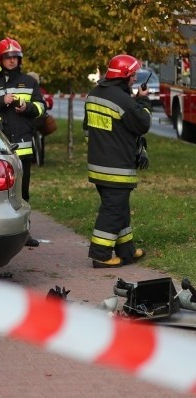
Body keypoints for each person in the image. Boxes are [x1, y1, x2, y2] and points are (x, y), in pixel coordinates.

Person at [0, 38, 45, 247]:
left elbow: (41, 108)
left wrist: (27, 108)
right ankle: (0, 232)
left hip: (22, 147)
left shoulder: (29, 82)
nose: (12, 61)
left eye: (15, 57)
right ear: (0, 59)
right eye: (8, 57)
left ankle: (25, 232)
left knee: (23, 193)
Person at [83, 54, 152, 268]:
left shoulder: (94, 94)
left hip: (98, 165)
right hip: (117, 168)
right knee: (112, 211)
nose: (134, 79)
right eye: (132, 75)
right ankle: (100, 255)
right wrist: (143, 100)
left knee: (119, 209)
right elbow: (143, 123)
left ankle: (127, 251)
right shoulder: (122, 99)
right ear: (123, 76)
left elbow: (88, 130)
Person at [26, 71, 54, 163]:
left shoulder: (28, 90)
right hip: (39, 120)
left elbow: (49, 102)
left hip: (33, 120)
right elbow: (49, 103)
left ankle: (35, 157)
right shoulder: (41, 90)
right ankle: (39, 158)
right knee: (39, 138)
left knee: (31, 136)